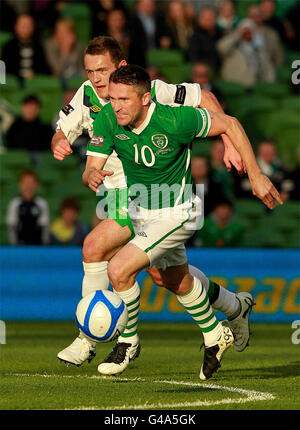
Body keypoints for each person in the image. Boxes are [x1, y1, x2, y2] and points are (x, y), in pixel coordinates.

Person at [51, 36, 252, 373]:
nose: (96, 78)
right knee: (169, 278)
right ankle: (234, 307)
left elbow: (208, 98)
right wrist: (61, 143)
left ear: (122, 68)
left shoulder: (151, 91)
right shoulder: (85, 96)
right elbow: (63, 129)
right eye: (89, 71)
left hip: (148, 192)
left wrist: (229, 142)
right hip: (118, 192)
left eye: (103, 70)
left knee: (96, 250)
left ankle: (102, 339)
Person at [82, 64, 282, 378]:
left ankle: (128, 342)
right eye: (114, 97)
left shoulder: (175, 119)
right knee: (174, 281)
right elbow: (92, 164)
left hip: (178, 211)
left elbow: (229, 123)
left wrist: (256, 175)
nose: (117, 105)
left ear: (145, 99)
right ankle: (225, 322)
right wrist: (91, 173)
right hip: (142, 212)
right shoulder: (107, 117)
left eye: (125, 99)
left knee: (118, 269)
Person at [5, 95, 53, 165]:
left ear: (38, 109)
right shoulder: (14, 127)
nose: (31, 110)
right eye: (28, 107)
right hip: (18, 161)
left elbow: (48, 147)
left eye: (34, 108)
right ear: (23, 107)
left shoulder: (45, 128)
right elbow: (10, 145)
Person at [6, 170, 50, 245]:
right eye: (25, 183)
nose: (28, 186)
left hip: (38, 247)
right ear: (20, 185)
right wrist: (15, 246)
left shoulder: (42, 203)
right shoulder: (14, 204)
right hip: (19, 247)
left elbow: (45, 228)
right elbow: (11, 228)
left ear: (36, 185)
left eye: (31, 183)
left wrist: (44, 246)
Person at [1, 14, 50, 81]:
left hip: (35, 81)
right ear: (16, 27)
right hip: (15, 81)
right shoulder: (9, 46)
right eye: (23, 26)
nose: (26, 29)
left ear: (33, 28)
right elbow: (4, 69)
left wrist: (34, 74)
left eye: (28, 26)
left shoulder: (38, 46)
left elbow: (44, 68)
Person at [44, 18, 84, 83]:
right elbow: (57, 71)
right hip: (59, 80)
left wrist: (72, 48)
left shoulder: (77, 46)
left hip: (76, 79)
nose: (63, 35)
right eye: (60, 32)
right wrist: (65, 51)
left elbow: (80, 68)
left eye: (67, 32)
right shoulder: (50, 46)